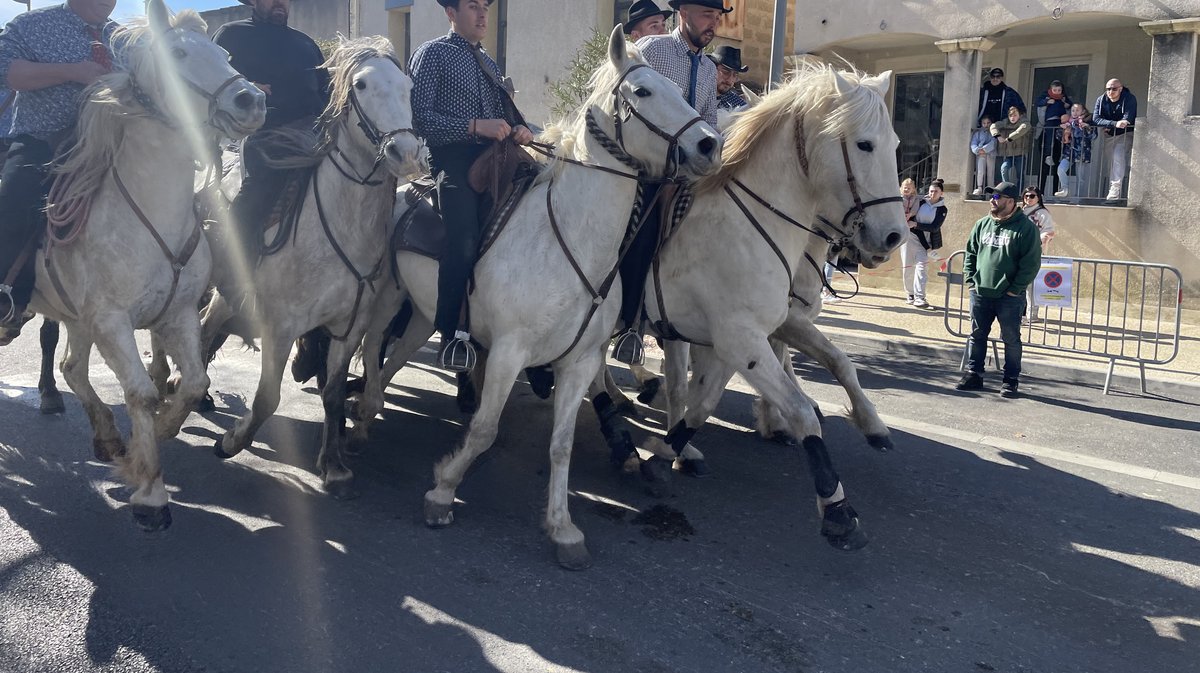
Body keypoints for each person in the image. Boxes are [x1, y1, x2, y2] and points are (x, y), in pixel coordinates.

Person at [410, 0, 533, 372]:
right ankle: (451, 334)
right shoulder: (432, 54)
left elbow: (506, 115)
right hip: (454, 159)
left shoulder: (489, 63)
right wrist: (473, 126)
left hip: (498, 157)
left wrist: (520, 128)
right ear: (451, 13)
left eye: (485, 7)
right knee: (463, 240)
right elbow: (418, 118)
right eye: (473, 7)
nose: (483, 15)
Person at [215, 0, 332, 383]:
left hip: (315, 135)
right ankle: (235, 283)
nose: (280, 3)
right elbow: (214, 86)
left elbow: (330, 96)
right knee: (256, 195)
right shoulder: (232, 37)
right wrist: (247, 87)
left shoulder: (306, 44)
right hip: (266, 133)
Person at [613, 0, 726, 365]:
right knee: (644, 234)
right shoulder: (652, 48)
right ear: (685, 14)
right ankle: (629, 324)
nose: (713, 23)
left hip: (687, 174)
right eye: (707, 15)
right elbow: (621, 100)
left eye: (717, 17)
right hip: (646, 170)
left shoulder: (708, 69)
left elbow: (707, 122)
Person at [0, 0, 116, 331]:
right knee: (12, 203)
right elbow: (7, 72)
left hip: (113, 147)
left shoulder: (123, 37)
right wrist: (72, 71)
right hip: (45, 142)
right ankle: (9, 298)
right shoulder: (31, 24)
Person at [956, 181, 1042, 398]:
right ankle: (974, 373)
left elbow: (1030, 264)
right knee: (977, 335)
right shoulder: (982, 224)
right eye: (992, 196)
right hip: (980, 292)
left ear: (1011, 201)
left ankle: (1010, 380)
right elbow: (971, 253)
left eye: (997, 197)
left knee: (1011, 338)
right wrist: (971, 281)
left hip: (1009, 297)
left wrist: (1015, 290)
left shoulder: (1025, 228)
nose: (992, 200)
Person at [901, 178, 947, 309]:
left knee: (922, 267)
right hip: (910, 238)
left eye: (936, 192)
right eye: (931, 191)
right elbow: (911, 216)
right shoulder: (920, 202)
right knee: (908, 266)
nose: (933, 194)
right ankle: (910, 294)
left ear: (941, 193)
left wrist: (916, 224)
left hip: (925, 242)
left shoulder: (942, 209)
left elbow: (934, 227)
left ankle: (920, 297)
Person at [1093, 78, 1136, 203]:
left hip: (1125, 134)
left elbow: (1128, 117)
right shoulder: (1101, 100)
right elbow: (1096, 119)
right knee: (1112, 161)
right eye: (1108, 89)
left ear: (1120, 89)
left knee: (1118, 157)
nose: (1111, 91)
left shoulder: (1129, 98)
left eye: (1114, 89)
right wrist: (1114, 123)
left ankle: (1115, 190)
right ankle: (1114, 189)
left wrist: (1120, 123)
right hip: (1110, 135)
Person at [1020, 187, 1055, 322]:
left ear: (1038, 197)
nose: (1028, 198)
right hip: (1019, 252)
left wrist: (1039, 241)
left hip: (1034, 252)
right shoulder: (1019, 212)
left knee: (1032, 285)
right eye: (1026, 196)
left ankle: (1032, 314)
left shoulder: (1042, 213)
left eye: (1032, 196)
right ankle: (1021, 313)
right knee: (1021, 283)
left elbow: (1049, 231)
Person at [1033, 80, 1071, 196]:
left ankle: (1056, 191)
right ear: (1051, 89)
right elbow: (1037, 102)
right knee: (1044, 166)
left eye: (1059, 90)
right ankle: (1040, 193)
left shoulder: (1063, 98)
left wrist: (1067, 104)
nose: (1057, 92)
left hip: (1059, 128)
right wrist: (1046, 101)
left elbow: (1070, 105)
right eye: (1055, 90)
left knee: (1057, 165)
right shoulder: (1047, 96)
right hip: (1047, 127)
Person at [1055, 103, 1096, 199]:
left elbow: (1094, 136)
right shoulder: (1068, 122)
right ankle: (1065, 189)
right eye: (1073, 110)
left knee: (1080, 177)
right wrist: (1062, 129)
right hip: (1069, 151)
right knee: (1060, 169)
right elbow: (1058, 137)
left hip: (1082, 151)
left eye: (1077, 110)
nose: (1074, 112)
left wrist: (1087, 127)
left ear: (1083, 111)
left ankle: (1078, 197)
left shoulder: (1087, 121)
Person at [990, 105, 1030, 189]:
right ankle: (1007, 188)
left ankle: (1019, 192)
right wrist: (998, 136)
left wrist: (1010, 138)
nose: (1012, 118)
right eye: (1010, 115)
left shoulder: (1024, 122)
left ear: (1019, 115)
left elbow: (1020, 131)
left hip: (1020, 154)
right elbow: (993, 126)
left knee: (1019, 174)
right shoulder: (1005, 122)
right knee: (1003, 169)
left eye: (1015, 115)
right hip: (1009, 154)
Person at [709, 44, 748, 111]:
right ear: (712, 68)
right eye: (725, 72)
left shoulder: (740, 106)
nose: (730, 80)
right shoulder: (696, 94)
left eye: (735, 75)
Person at [970, 115, 996, 196]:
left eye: (988, 123)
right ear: (981, 123)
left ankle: (990, 188)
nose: (986, 125)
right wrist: (978, 150)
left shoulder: (994, 132)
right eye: (984, 123)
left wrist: (984, 149)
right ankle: (979, 187)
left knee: (990, 172)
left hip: (990, 154)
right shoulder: (978, 133)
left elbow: (993, 142)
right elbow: (973, 143)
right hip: (980, 155)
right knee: (980, 171)